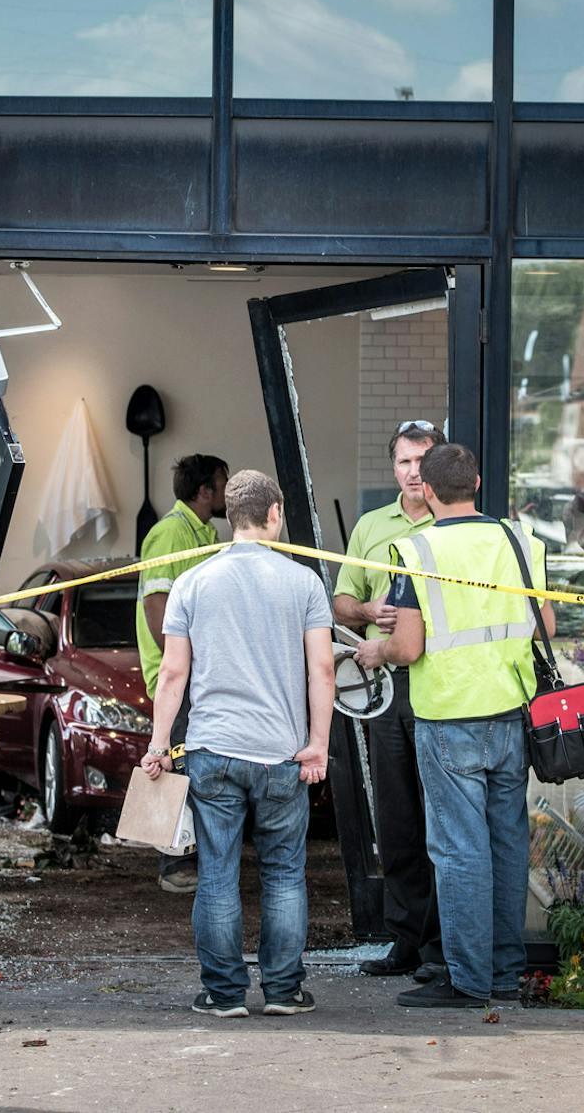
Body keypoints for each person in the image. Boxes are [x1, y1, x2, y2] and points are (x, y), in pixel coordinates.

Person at [354, 443, 554, 1011]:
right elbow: (546, 624)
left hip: (447, 719)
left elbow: (409, 644)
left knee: (460, 850)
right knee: (508, 844)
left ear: (431, 492)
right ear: (479, 483)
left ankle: (466, 979)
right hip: (511, 716)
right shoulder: (519, 541)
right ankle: (504, 974)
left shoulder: (416, 549)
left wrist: (376, 653)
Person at [142, 469, 333, 1018]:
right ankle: (283, 991)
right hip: (281, 755)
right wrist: (317, 744)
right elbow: (321, 669)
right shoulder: (304, 583)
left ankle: (224, 995)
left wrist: (159, 744)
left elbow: (173, 676)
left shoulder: (193, 582)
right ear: (275, 513)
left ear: (229, 517)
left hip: (212, 751)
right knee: (283, 874)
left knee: (218, 874)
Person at [331, 421, 446, 981]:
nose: (414, 472)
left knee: (442, 819)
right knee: (398, 816)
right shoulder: (373, 527)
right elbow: (340, 601)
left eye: (423, 460)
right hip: (388, 689)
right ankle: (407, 939)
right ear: (393, 468)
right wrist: (368, 613)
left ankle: (445, 946)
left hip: (443, 685)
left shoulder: (457, 525)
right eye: (404, 462)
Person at [133, 452, 227, 892]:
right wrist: (178, 669)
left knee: (191, 763)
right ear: (206, 491)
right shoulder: (169, 533)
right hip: (182, 675)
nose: (227, 492)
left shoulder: (206, 533)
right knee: (172, 762)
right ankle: (173, 864)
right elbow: (157, 607)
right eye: (223, 483)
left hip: (199, 673)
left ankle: (193, 857)